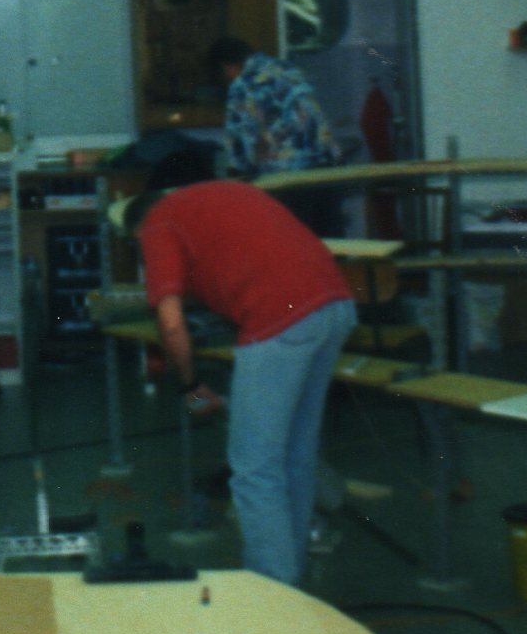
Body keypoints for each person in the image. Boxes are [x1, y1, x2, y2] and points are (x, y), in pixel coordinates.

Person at [125, 151, 356, 590]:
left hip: (282, 319)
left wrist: (191, 386)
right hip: (334, 306)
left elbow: (170, 324)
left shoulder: (156, 224)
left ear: (137, 230)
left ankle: (271, 591)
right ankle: (290, 584)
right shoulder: (221, 193)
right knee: (295, 455)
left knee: (253, 469)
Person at [204, 37, 342, 181]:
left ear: (226, 67)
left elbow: (241, 156)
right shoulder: (287, 68)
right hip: (325, 167)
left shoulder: (243, 85)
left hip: (288, 177)